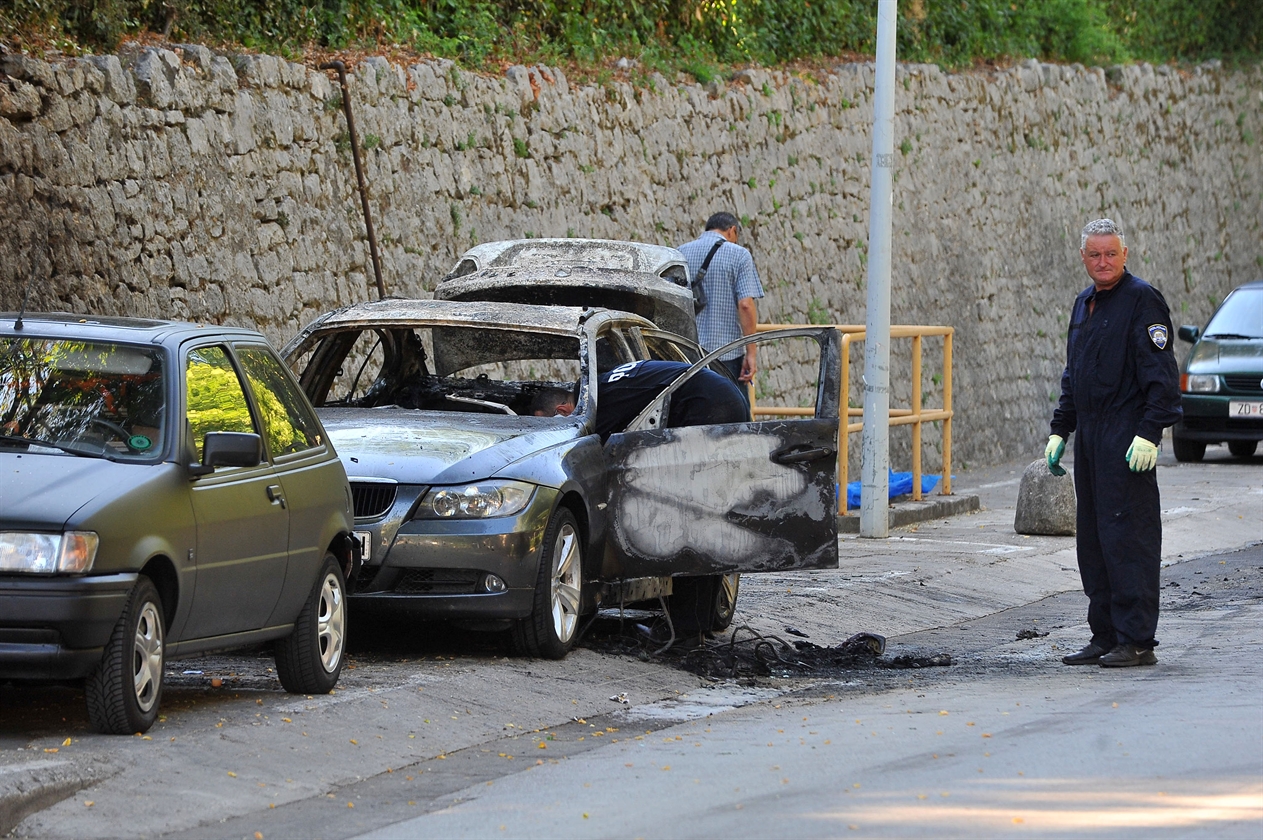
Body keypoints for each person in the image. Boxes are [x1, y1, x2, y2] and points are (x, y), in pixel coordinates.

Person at [1046, 218, 1181, 668]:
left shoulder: (1143, 300)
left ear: (1125, 255)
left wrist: (1150, 433)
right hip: (1090, 436)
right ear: (1082, 257)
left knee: (1128, 539)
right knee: (1094, 541)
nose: (1102, 262)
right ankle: (1104, 635)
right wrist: (1060, 429)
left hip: (1127, 438)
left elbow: (1161, 376)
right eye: (1094, 254)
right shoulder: (1083, 303)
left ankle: (1137, 640)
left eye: (1110, 254)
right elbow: (1074, 374)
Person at [535, 360, 749, 439]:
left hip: (710, 404)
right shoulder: (603, 384)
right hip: (723, 393)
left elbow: (593, 452)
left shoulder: (599, 400)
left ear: (562, 411)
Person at [678, 213, 765, 405]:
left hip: (687, 354)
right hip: (726, 354)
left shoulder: (680, 253)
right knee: (736, 415)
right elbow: (745, 305)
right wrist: (751, 353)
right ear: (732, 230)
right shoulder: (739, 255)